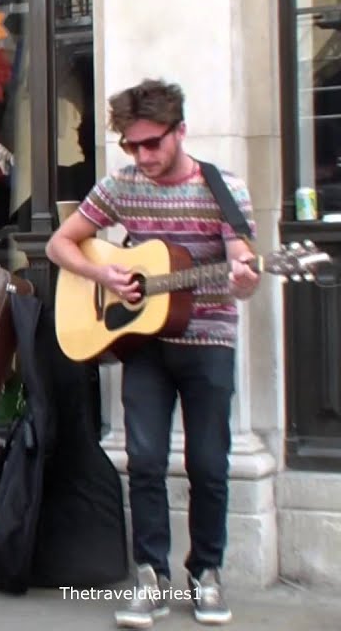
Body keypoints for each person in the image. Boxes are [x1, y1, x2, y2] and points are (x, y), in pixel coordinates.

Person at [45, 79, 259, 628]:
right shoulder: (122, 184)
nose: (143, 156)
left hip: (208, 339)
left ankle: (206, 573)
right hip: (144, 344)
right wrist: (103, 273)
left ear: (180, 131)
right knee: (143, 462)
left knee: (209, 464)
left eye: (152, 144)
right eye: (133, 146)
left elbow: (244, 270)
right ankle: (151, 574)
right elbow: (59, 243)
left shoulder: (222, 188)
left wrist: (242, 278)